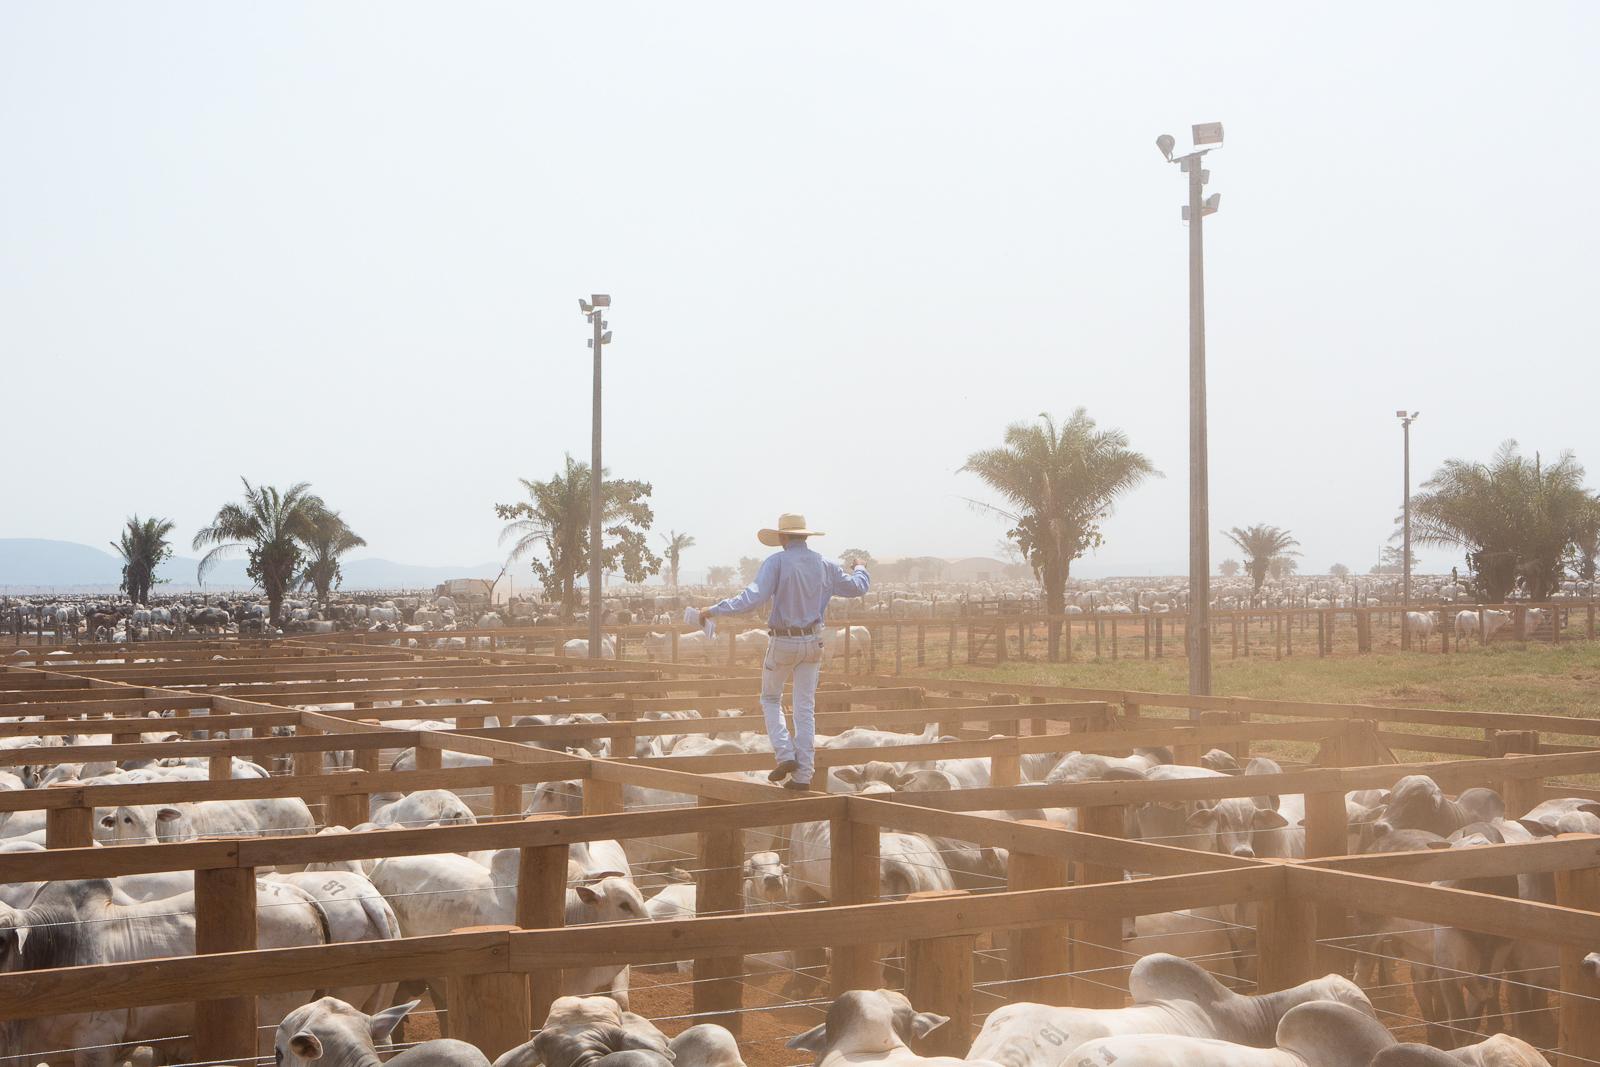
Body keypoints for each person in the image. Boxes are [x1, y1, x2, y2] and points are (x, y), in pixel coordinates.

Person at [700, 513, 870, 791]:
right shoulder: (825, 565)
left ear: (782, 538)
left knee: (770, 698)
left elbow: (751, 598)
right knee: (805, 708)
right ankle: (803, 775)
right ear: (805, 536)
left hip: (783, 642)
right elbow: (858, 587)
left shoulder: (776, 562)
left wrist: (713, 609)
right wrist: (861, 567)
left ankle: (785, 754)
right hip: (813, 642)